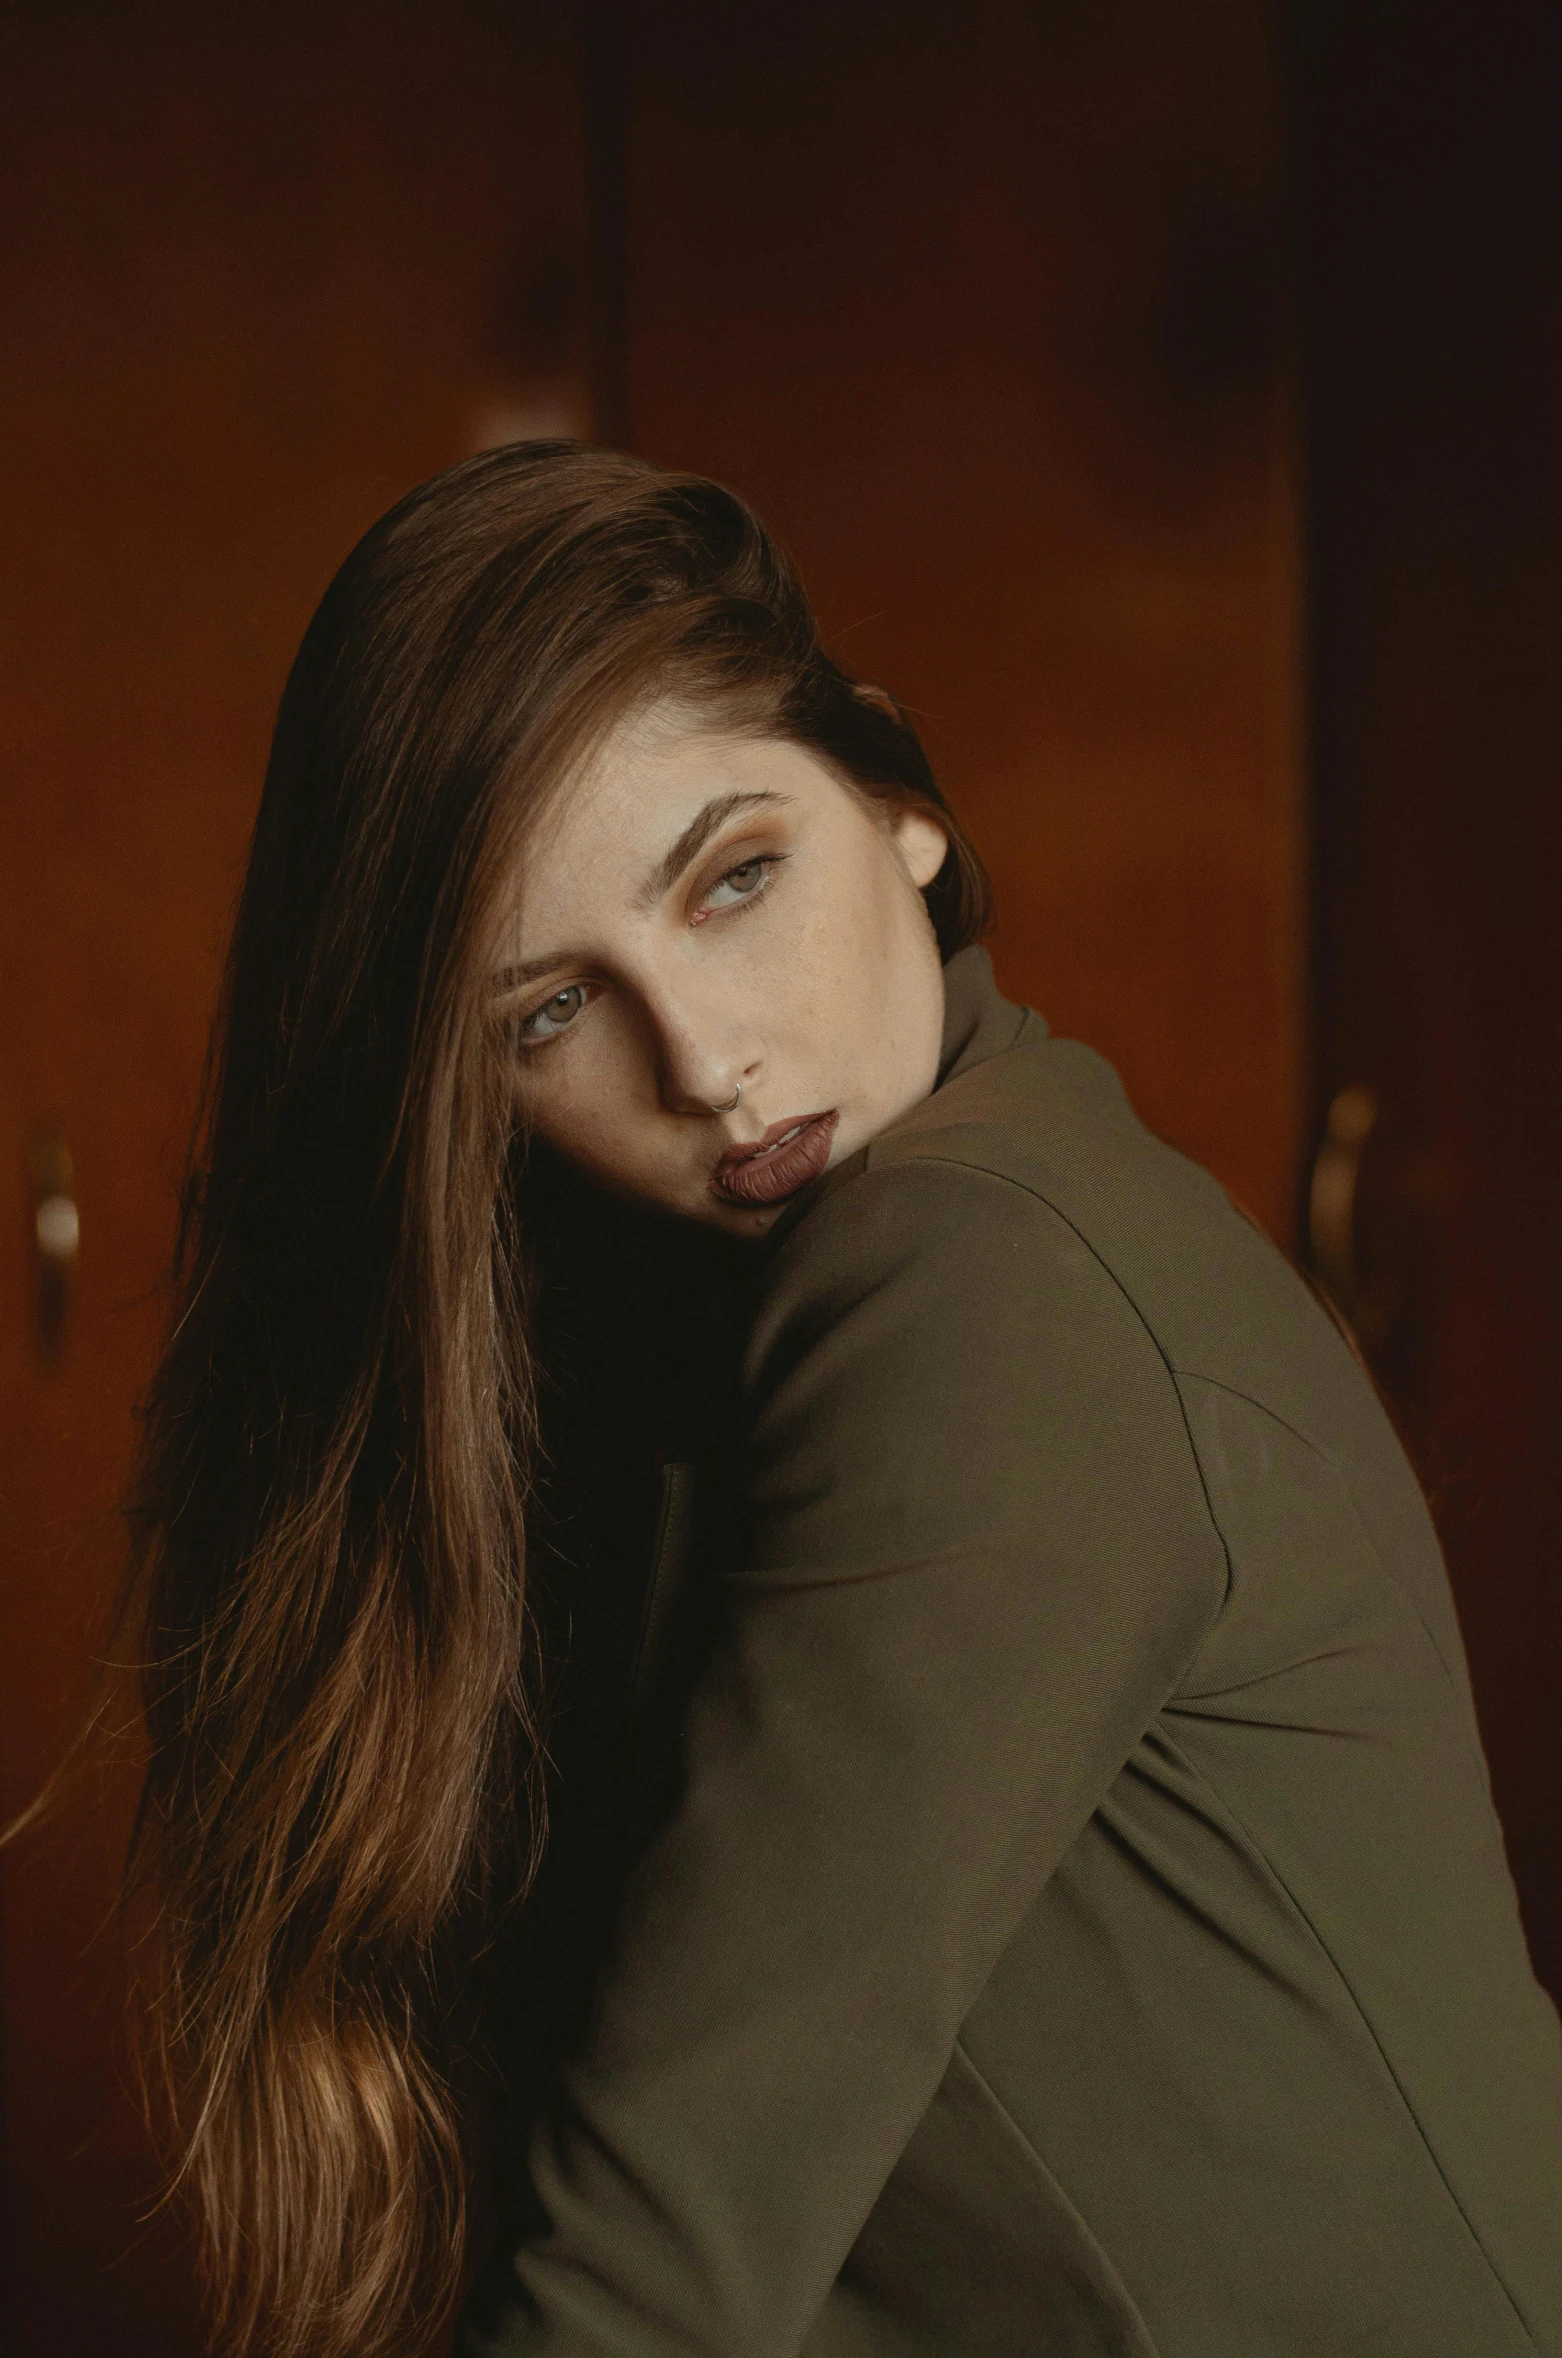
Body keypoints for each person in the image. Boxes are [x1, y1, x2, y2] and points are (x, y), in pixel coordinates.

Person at [123, 443, 1562, 2358]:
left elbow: (650, 2282)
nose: (709, 1059)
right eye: (552, 1013)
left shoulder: (984, 1274)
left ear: (896, 801)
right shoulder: (766, 1306)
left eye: (733, 878)